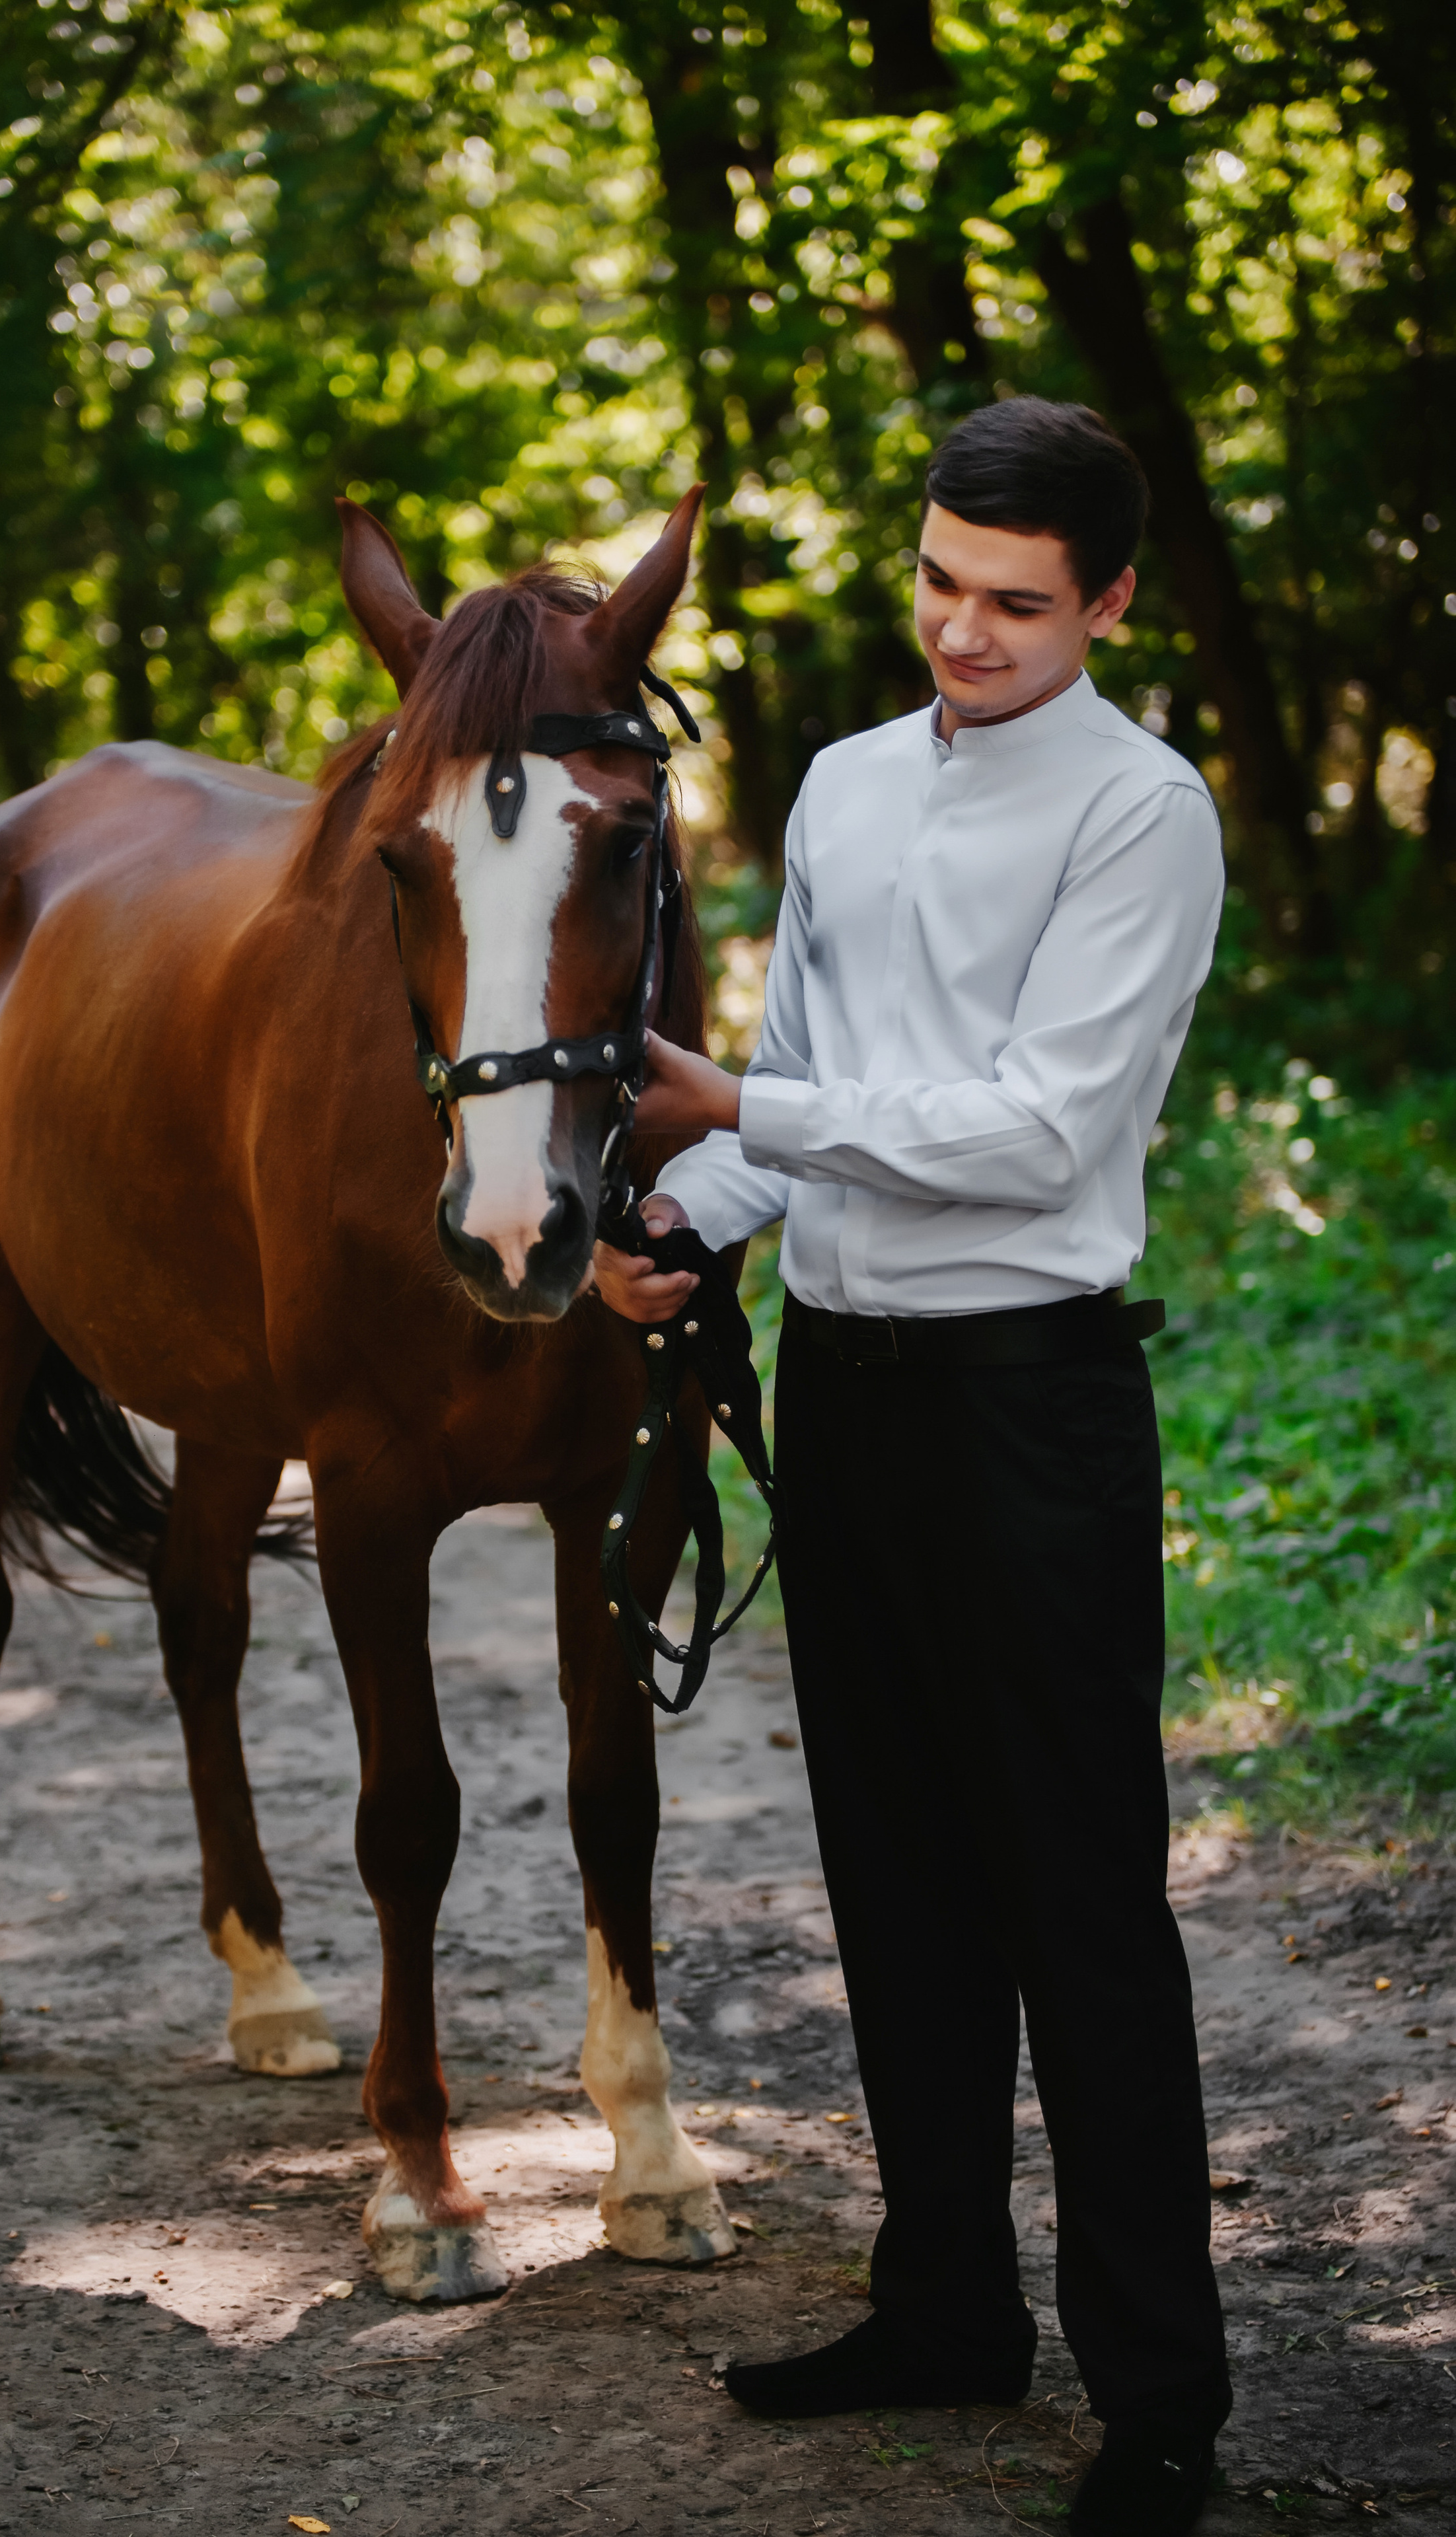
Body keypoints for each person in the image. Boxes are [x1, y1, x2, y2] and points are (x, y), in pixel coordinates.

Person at [594, 397, 1231, 2536]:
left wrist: (732, 1123)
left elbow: (1042, 1129)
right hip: (849, 1399)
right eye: (944, 583)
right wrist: (685, 1221)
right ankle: (947, 2309)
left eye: (1020, 605)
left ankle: (1160, 2404)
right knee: (897, 1876)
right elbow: (815, 1087)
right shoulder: (849, 786)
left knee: (1081, 1903)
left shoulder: (1147, 813)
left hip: (1036, 1403)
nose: (965, 632)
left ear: (1112, 602)